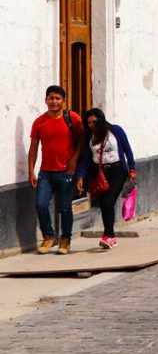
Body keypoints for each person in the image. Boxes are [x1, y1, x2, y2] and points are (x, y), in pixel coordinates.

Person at [28, 85, 83, 254]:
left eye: (57, 98)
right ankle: (48, 237)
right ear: (46, 100)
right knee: (41, 204)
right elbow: (34, 148)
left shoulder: (72, 118)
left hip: (66, 172)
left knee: (65, 207)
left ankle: (65, 240)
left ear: (63, 101)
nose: (54, 101)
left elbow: (82, 141)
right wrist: (31, 171)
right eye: (51, 98)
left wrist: (74, 160)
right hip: (45, 172)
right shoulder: (39, 122)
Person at [75, 108, 137, 249]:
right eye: (89, 122)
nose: (92, 125)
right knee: (104, 204)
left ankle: (108, 235)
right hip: (100, 174)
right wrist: (80, 177)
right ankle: (110, 236)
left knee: (108, 201)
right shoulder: (89, 137)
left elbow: (127, 150)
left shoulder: (115, 131)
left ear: (101, 120)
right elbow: (85, 160)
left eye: (94, 122)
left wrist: (132, 168)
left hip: (117, 171)